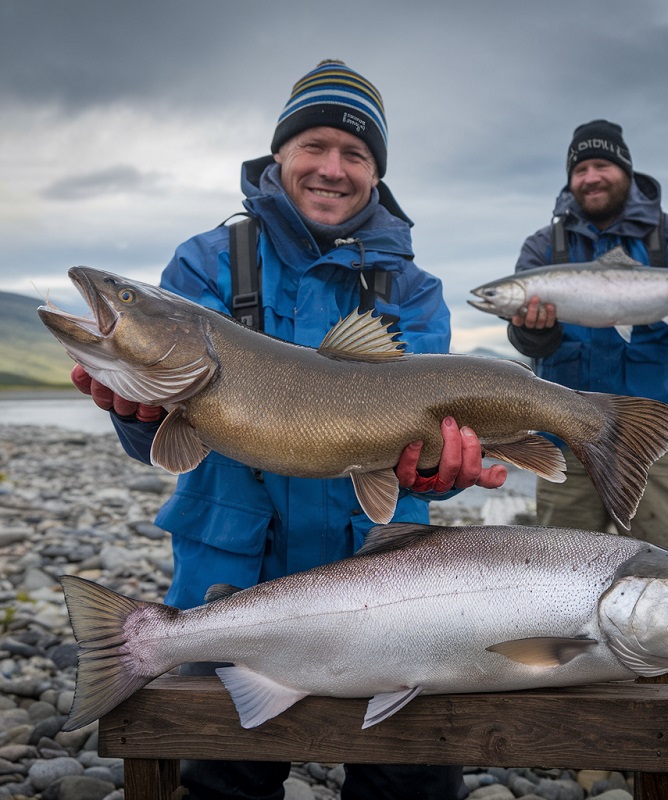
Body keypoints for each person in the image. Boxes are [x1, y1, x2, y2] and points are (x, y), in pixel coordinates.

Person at [72, 59, 505, 800]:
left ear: (376, 172)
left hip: (389, 586)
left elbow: (431, 452)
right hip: (233, 576)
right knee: (225, 782)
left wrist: (435, 474)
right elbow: (162, 436)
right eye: (314, 146)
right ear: (279, 155)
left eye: (355, 153)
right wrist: (135, 411)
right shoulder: (207, 261)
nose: (332, 168)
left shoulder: (416, 291)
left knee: (411, 784)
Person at [506, 119, 668, 729]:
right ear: (571, 179)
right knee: (553, 582)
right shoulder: (543, 247)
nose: (590, 177)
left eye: (601, 166)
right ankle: (564, 716)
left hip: (662, 440)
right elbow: (524, 336)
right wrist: (531, 324)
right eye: (579, 169)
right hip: (570, 440)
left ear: (626, 172)